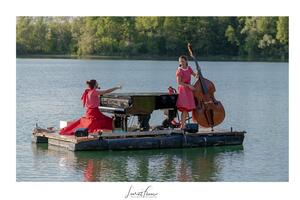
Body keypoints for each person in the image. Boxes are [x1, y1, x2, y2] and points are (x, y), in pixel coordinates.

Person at [176, 55, 197, 129]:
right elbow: (179, 83)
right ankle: (182, 125)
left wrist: (198, 73)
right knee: (184, 109)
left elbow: (195, 76)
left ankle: (183, 124)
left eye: (183, 61)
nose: (181, 63)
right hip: (183, 90)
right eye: (180, 61)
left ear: (186, 61)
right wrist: (188, 85)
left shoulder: (189, 68)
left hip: (189, 90)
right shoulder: (179, 70)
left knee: (187, 109)